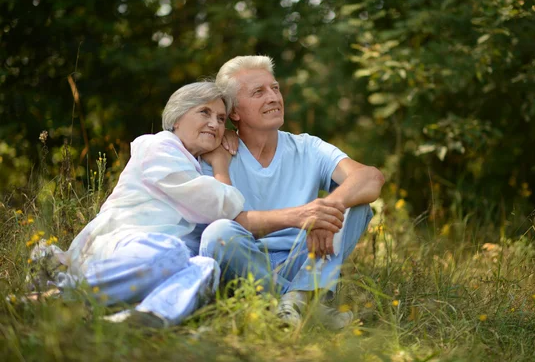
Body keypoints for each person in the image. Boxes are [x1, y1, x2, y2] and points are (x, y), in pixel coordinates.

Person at [184, 56, 385, 329]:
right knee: (219, 233)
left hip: (305, 259)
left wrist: (326, 209)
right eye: (259, 92)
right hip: (247, 264)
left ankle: (297, 298)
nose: (273, 97)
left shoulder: (308, 147)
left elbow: (370, 177)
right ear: (234, 112)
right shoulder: (216, 153)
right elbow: (230, 221)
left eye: (275, 88)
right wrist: (300, 215)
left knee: (356, 206)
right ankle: (309, 308)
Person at [44, 82, 245, 327]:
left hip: (158, 262)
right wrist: (221, 164)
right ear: (177, 117)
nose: (215, 124)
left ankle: (145, 317)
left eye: (222, 119)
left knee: (207, 266)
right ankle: (63, 295)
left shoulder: (190, 161)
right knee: (174, 250)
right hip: (122, 248)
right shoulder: (158, 147)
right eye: (205, 112)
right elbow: (221, 207)